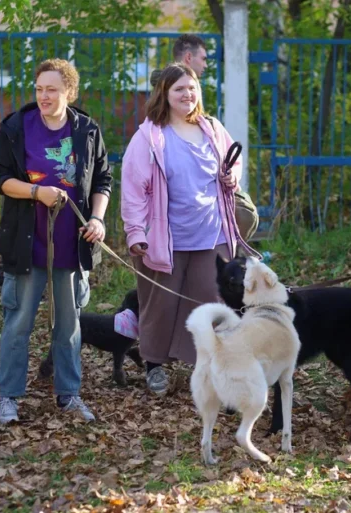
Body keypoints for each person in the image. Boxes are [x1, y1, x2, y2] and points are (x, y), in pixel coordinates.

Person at [0, 58, 112, 425]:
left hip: (72, 247)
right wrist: (36, 192)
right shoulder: (16, 126)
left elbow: (103, 180)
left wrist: (97, 218)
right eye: (39, 89)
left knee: (69, 325)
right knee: (18, 324)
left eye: (52, 90)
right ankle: (9, 397)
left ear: (69, 93)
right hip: (27, 245)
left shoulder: (87, 130)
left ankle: (68, 394)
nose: (44, 96)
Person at [122, 63, 245, 395]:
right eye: (179, 89)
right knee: (160, 305)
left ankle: (211, 369)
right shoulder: (149, 136)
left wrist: (232, 178)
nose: (187, 95)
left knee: (212, 302)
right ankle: (154, 366)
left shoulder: (213, 129)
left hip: (211, 235)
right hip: (164, 239)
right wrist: (136, 233)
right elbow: (133, 190)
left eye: (192, 88)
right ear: (164, 93)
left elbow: (233, 165)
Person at [150, 34, 259, 242]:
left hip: (205, 214)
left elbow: (230, 154)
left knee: (244, 214)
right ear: (189, 57)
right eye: (204, 58)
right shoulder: (159, 101)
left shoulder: (208, 124)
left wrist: (231, 176)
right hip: (174, 217)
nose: (206, 64)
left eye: (191, 90)